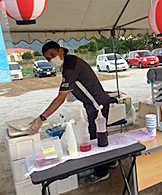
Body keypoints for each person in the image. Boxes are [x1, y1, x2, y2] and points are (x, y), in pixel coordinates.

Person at [29, 41, 114, 183]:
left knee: (95, 137)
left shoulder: (70, 67)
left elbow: (60, 98)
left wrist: (41, 118)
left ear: (61, 51)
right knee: (101, 134)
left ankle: (101, 172)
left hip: (97, 105)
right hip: (94, 103)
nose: (51, 60)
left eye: (52, 55)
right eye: (47, 58)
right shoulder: (69, 63)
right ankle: (110, 161)